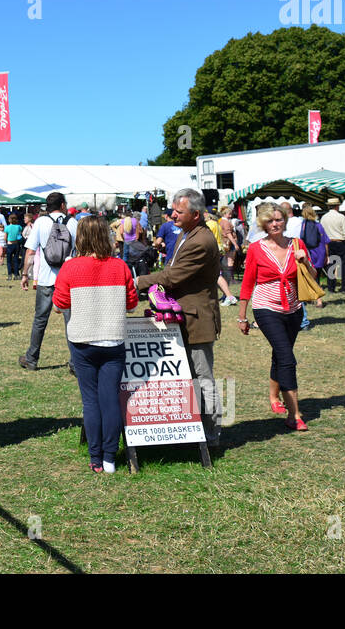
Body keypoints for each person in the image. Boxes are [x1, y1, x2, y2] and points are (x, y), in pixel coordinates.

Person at [135, 188, 224, 446]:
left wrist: (137, 281)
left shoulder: (200, 240)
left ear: (196, 214)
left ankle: (212, 435)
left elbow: (172, 277)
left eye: (178, 211)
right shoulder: (188, 233)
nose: (172, 214)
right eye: (173, 209)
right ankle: (193, 430)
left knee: (203, 377)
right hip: (184, 316)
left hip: (197, 319)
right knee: (191, 377)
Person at [53, 215, 138, 474]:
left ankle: (96, 457)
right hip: (112, 339)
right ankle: (110, 457)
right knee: (110, 399)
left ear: (80, 238)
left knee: (90, 400)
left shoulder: (70, 267)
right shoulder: (120, 266)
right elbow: (132, 302)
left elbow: (60, 303)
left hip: (82, 340)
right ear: (106, 236)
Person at [236, 201, 313, 432]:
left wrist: (305, 260)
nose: (275, 224)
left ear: (285, 221)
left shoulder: (297, 244)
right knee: (287, 358)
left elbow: (313, 275)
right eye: (270, 220)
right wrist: (242, 316)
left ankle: (273, 397)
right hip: (266, 307)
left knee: (281, 355)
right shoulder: (256, 249)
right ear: (263, 224)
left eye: (278, 219)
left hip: (294, 308)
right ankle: (295, 414)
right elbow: (248, 281)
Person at [18, 191, 79, 371]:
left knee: (40, 320)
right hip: (68, 279)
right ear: (62, 205)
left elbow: (30, 252)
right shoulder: (73, 222)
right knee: (71, 322)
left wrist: (24, 275)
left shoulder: (40, 222)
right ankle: (76, 363)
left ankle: (31, 358)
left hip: (46, 278)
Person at [320, 198, 345, 293]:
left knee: (331, 265)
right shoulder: (341, 217)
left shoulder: (324, 217)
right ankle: (344, 286)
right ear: (337, 206)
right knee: (344, 265)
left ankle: (331, 287)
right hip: (340, 242)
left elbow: (322, 232)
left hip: (329, 243)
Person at [5, 213, 24, 278]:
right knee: (16, 260)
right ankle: (17, 274)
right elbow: (20, 234)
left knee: (9, 261)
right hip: (16, 244)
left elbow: (5, 237)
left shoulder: (7, 227)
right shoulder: (19, 227)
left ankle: (10, 274)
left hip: (10, 244)